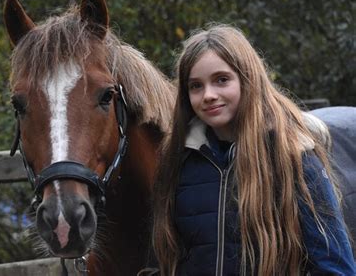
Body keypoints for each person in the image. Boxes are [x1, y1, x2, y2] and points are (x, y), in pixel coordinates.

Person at [152, 24, 355, 275]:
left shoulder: (293, 157)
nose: (208, 95)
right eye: (196, 86)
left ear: (247, 79)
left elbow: (335, 265)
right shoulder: (178, 161)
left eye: (221, 80)